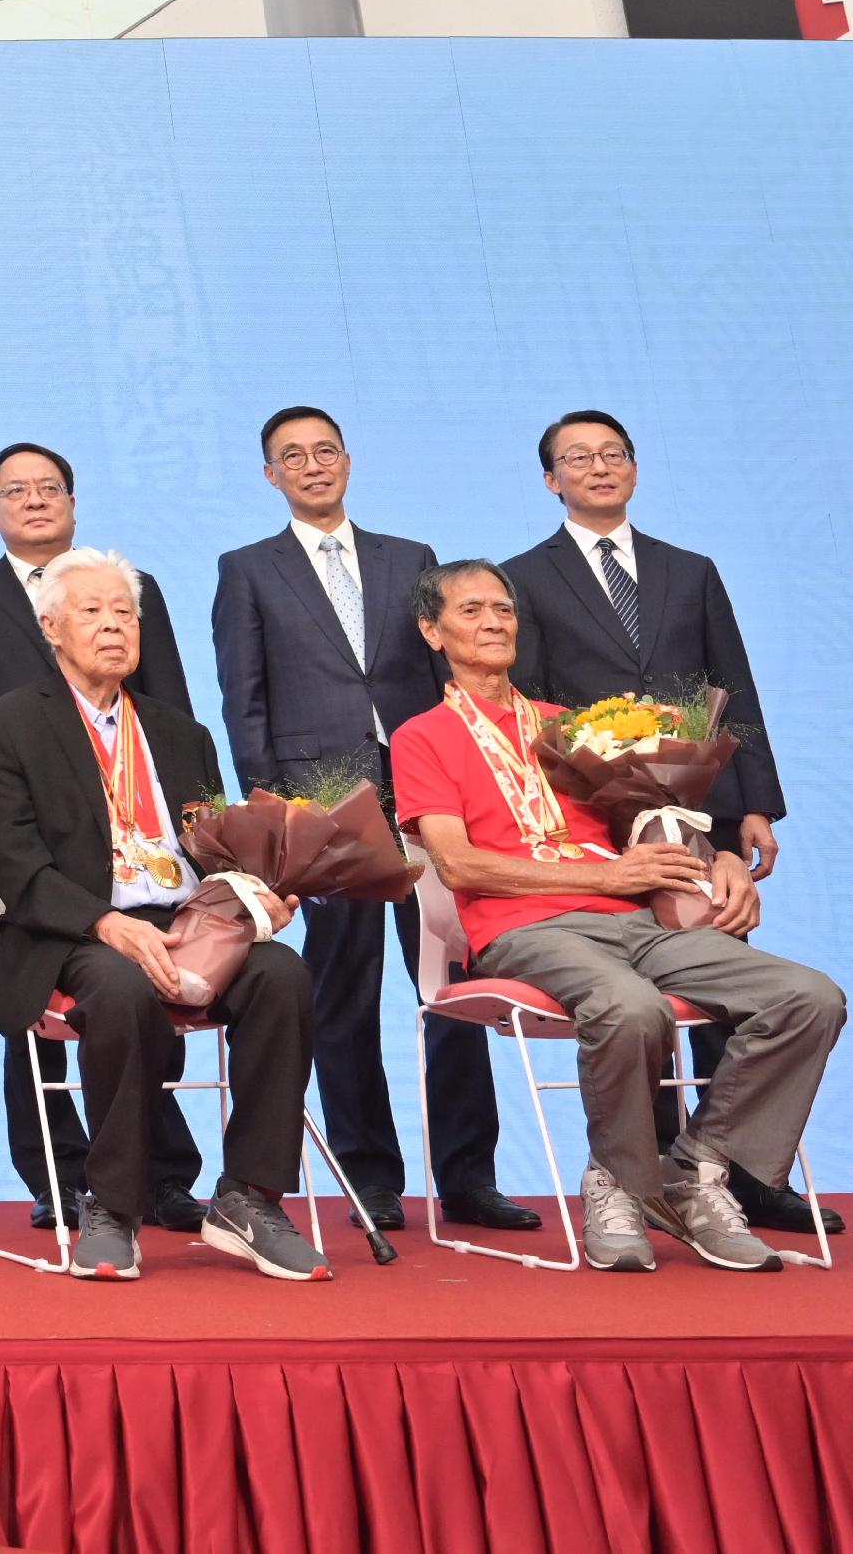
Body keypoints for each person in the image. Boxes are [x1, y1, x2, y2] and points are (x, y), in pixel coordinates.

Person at [390, 561, 845, 1272]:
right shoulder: (421, 736)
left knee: (808, 996)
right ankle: (618, 1181)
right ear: (432, 630)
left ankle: (694, 1168)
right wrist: (606, 872)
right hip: (523, 930)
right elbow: (458, 865)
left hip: (636, 921)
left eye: (503, 608)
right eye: (472, 609)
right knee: (631, 1008)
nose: (494, 621)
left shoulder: (574, 727)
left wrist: (718, 857)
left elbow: (654, 821)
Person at [499, 411, 831, 1238]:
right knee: (635, 996)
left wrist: (750, 804)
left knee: (725, 976)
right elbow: (534, 712)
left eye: (613, 454)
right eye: (578, 458)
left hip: (698, 814)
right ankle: (640, 1173)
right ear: (551, 481)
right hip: (594, 818)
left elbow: (735, 689)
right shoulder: (524, 579)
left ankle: (739, 1170)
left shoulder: (691, 570)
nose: (599, 468)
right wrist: (585, 792)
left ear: (635, 469)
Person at [208, 406, 530, 1236]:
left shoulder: (409, 559)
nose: (312, 465)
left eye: (325, 450)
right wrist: (280, 824)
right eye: (292, 456)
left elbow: (449, 673)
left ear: (348, 461)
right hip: (327, 814)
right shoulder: (247, 568)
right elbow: (244, 702)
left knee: (452, 983)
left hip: (427, 797)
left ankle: (467, 1174)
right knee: (344, 996)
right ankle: (370, 1177)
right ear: (270, 474)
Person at [0, 554, 325, 1283]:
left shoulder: (178, 731)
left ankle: (250, 1195)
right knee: (120, 985)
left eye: (124, 613)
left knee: (281, 973)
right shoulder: (12, 722)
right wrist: (107, 922)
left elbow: (214, 849)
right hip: (72, 934)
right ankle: (112, 1204)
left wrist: (257, 896)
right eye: (92, 611)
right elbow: (15, 863)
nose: (112, 626)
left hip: (186, 926)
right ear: (51, 627)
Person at [0, 441, 203, 1233]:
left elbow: (170, 712)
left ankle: (163, 1175)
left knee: (154, 995)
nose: (35, 500)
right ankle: (56, 1173)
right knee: (35, 994)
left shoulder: (122, 590)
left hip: (128, 839)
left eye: (50, 488)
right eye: (17, 491)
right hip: (20, 837)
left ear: (74, 504)